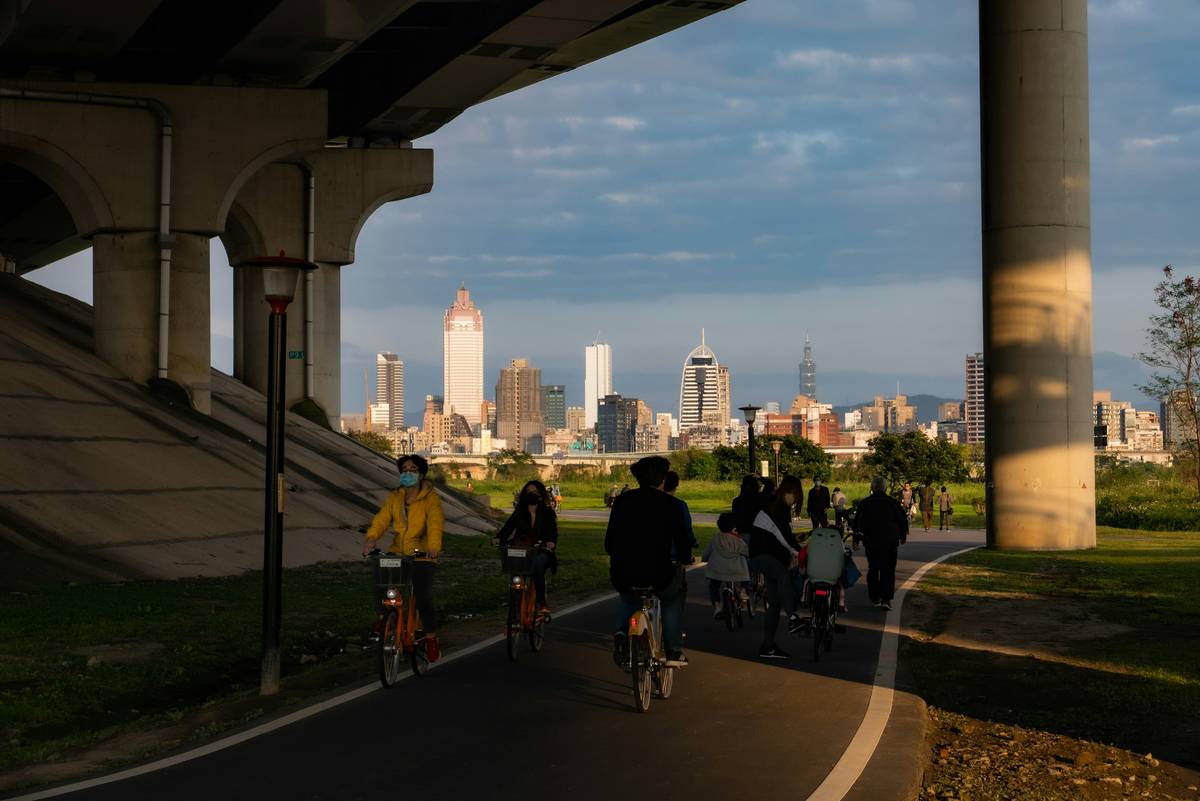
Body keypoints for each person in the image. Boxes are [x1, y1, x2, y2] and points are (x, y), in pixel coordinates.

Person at [606, 456, 693, 665]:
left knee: (628, 598)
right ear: (662, 480)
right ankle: (673, 651)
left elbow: (610, 542)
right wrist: (684, 558)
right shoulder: (671, 504)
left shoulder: (622, 502)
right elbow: (682, 541)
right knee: (671, 600)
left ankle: (620, 633)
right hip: (659, 571)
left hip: (624, 571)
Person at [362, 454, 444, 660]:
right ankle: (384, 618)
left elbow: (435, 524)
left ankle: (431, 638)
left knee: (423, 596)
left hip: (422, 554)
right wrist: (371, 538)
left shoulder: (431, 498)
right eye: (404, 469)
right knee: (381, 579)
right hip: (399, 551)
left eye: (413, 469)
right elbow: (382, 519)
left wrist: (433, 547)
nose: (408, 473)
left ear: (422, 474)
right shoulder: (395, 497)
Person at [748, 475, 806, 659]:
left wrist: (796, 543)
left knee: (774, 603)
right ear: (790, 491)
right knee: (783, 577)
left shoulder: (776, 504)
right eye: (795, 495)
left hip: (764, 554)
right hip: (764, 555)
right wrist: (802, 553)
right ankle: (792, 618)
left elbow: (781, 534)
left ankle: (768, 646)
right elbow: (783, 537)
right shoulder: (777, 506)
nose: (795, 499)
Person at [492, 479, 558, 613]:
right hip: (521, 550)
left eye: (534, 492)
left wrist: (551, 542)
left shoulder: (547, 512)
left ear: (540, 494)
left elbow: (553, 532)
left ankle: (541, 602)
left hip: (541, 550)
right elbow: (508, 528)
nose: (530, 494)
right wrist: (498, 539)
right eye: (528, 492)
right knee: (515, 575)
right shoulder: (519, 511)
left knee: (538, 564)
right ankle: (515, 611)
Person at [853, 476, 908, 610]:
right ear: (886, 488)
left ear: (872, 488)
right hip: (889, 541)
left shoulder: (865, 503)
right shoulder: (893, 502)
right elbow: (902, 520)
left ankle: (874, 596)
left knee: (873, 568)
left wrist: (856, 540)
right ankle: (886, 599)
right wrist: (902, 536)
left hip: (871, 541)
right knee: (888, 570)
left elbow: (858, 523)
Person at [664, 470, 699, 624]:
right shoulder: (679, 505)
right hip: (672, 556)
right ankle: (674, 633)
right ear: (676, 486)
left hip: (645, 557)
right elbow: (686, 529)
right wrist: (692, 543)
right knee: (676, 593)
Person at [704, 512, 750, 618]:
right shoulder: (738, 540)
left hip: (718, 571)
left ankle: (717, 606)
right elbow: (748, 552)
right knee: (747, 569)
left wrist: (705, 559)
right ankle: (743, 590)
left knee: (714, 586)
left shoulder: (715, 538)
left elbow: (707, 553)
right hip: (737, 570)